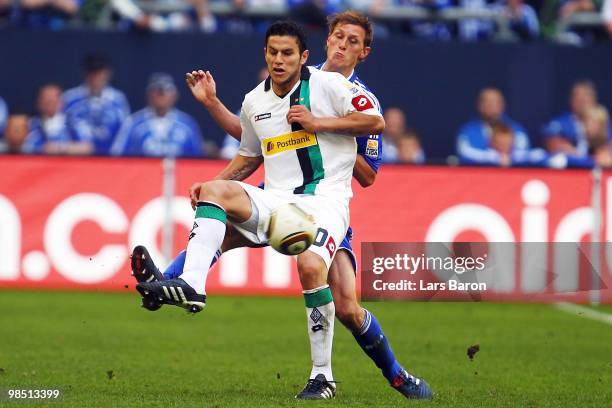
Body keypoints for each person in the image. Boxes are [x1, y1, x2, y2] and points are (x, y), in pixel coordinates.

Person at [134, 12, 432, 401]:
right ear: (322, 44)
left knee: (346, 307)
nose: (342, 45)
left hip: (326, 205)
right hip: (277, 194)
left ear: (363, 52)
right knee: (216, 206)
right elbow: (255, 142)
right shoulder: (265, 93)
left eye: (352, 41)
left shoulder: (343, 90)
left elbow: (371, 154)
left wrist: (320, 128)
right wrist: (213, 109)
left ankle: (387, 376)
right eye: (337, 37)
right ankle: (178, 284)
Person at [110, 73, 204, 158]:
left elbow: (198, 158)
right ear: (149, 94)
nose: (161, 96)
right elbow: (117, 156)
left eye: (165, 91)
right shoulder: (133, 123)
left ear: (175, 95)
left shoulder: (187, 124)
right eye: (157, 92)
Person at [63, 53, 130, 155]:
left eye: (99, 72)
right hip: (76, 159)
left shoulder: (118, 100)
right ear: (85, 73)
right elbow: (60, 129)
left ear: (107, 73)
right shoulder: (70, 98)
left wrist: (115, 157)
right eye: (92, 72)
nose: (95, 77)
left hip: (110, 160)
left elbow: (125, 132)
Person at [457, 87, 530, 165]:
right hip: (479, 173)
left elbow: (524, 152)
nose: (491, 106)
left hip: (513, 173)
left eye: (495, 102)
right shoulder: (468, 130)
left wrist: (510, 158)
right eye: (487, 102)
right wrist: (494, 158)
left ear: (503, 105)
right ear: (479, 105)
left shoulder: (516, 129)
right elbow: (464, 153)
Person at [25, 83, 92, 155]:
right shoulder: (31, 125)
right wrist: (42, 149)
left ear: (61, 102)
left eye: (53, 101)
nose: (50, 105)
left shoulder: (73, 123)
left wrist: (61, 148)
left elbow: (87, 147)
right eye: (47, 101)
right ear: (39, 103)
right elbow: (24, 147)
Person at [542, 80, 600, 157]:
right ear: (571, 100)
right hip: (569, 167)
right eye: (577, 96)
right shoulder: (559, 123)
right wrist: (584, 158)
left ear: (594, 100)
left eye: (586, 95)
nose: (582, 100)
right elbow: (553, 144)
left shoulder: (604, 125)